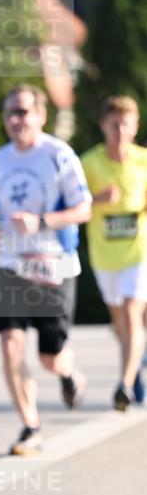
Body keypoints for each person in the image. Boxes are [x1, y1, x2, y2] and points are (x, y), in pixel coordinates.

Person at [0, 84, 92, 456]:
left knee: (49, 357)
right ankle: (31, 425)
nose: (16, 119)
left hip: (54, 265)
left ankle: (69, 372)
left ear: (41, 115)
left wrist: (42, 221)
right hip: (11, 266)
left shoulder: (59, 155)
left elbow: (83, 209)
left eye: (23, 112)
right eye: (10, 112)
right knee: (10, 345)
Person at [81, 95, 147, 410]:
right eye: (114, 125)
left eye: (126, 125)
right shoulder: (89, 163)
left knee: (133, 315)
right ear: (103, 127)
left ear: (135, 128)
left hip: (139, 252)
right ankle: (136, 365)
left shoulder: (143, 161)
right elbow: (74, 206)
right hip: (104, 255)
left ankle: (125, 382)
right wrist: (96, 199)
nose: (120, 131)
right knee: (119, 321)